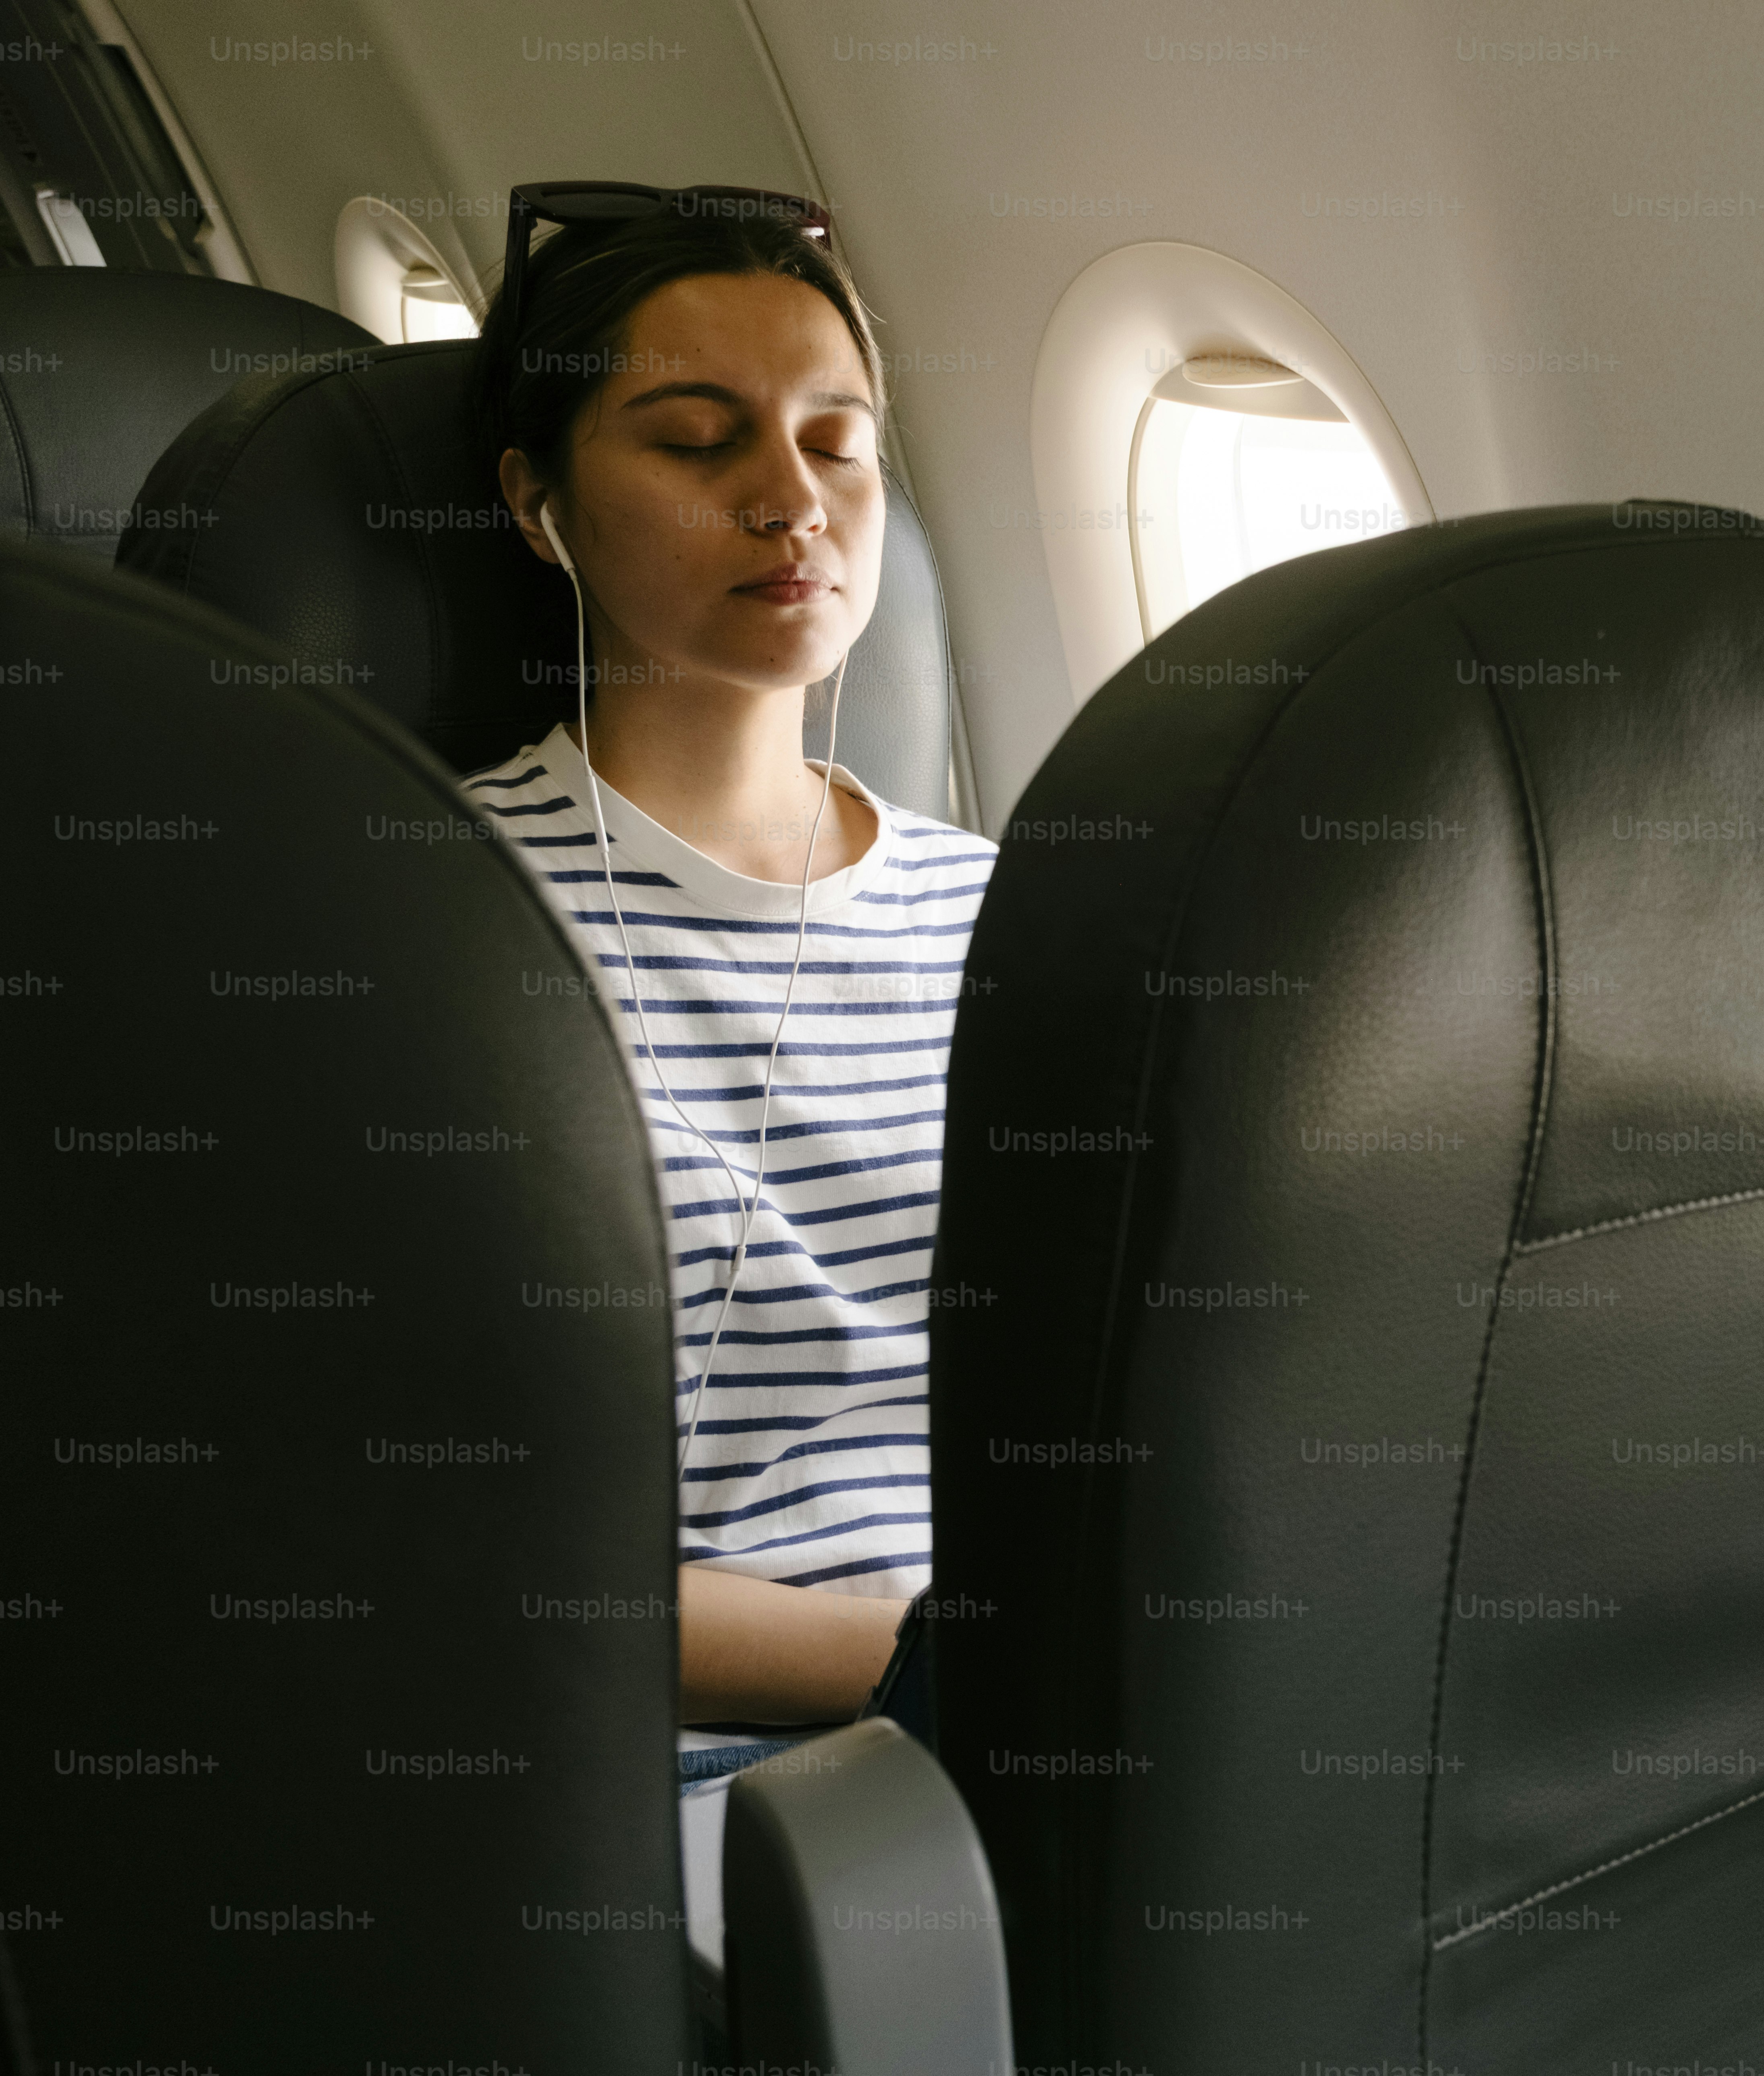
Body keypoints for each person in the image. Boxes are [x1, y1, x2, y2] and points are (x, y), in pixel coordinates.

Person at [456, 188, 994, 1983]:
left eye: (838, 442)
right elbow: (451, 1544)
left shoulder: (1004, 909)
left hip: (1059, 1706)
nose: (791, 498)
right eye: (698, 442)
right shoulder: (432, 913)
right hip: (707, 1775)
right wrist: (948, 1657)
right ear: (536, 503)